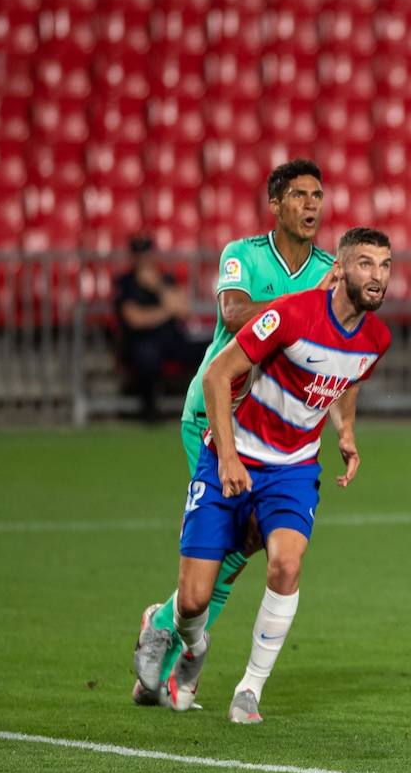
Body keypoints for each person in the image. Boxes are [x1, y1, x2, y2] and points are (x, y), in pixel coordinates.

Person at [133, 227, 393, 723]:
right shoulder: (291, 314)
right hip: (233, 455)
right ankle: (190, 645)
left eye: (384, 266)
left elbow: (346, 375)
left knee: (286, 565)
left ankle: (249, 690)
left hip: (293, 469)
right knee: (193, 600)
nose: (377, 276)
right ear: (338, 270)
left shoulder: (378, 339)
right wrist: (228, 457)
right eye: (365, 264)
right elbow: (216, 374)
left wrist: (347, 433)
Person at [132, 158, 335, 706]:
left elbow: (336, 346)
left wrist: (343, 426)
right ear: (275, 204)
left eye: (317, 194)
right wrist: (300, 315)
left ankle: (171, 642)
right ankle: (179, 659)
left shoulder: (328, 269)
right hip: (212, 414)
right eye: (299, 195)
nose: (311, 204)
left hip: (271, 432)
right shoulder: (242, 255)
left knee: (238, 550)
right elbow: (236, 310)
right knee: (230, 546)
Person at [114, 234, 205, 422]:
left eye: (147, 254)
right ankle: (150, 410)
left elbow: (183, 309)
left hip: (172, 340)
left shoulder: (164, 280)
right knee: (147, 355)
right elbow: (135, 319)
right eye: (140, 255)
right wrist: (166, 311)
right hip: (141, 342)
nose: (144, 260)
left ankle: (205, 407)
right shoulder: (126, 283)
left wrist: (157, 287)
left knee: (211, 348)